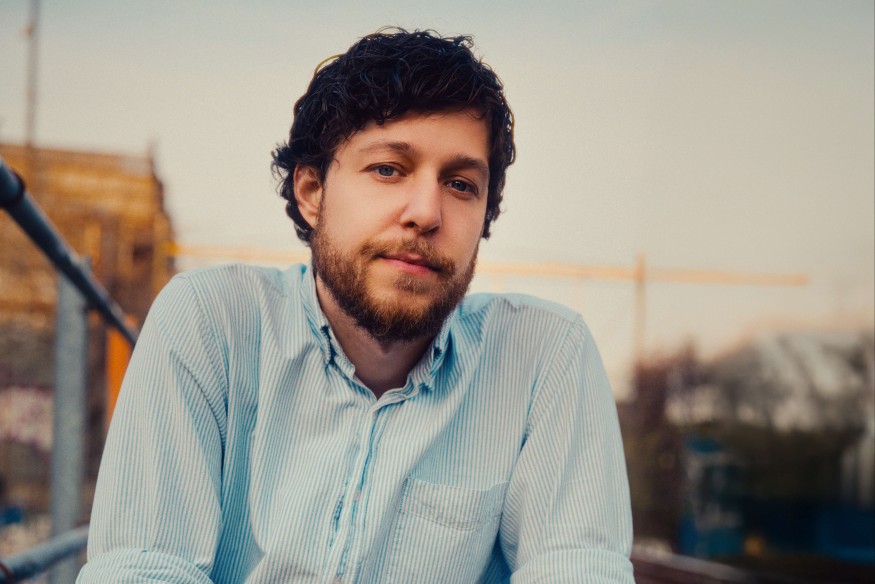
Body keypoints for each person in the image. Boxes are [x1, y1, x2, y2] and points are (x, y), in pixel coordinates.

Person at [78, 29, 634, 583]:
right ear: (312, 192)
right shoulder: (210, 322)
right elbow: (142, 568)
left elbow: (578, 568)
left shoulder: (544, 359)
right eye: (388, 169)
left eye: (461, 184)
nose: (426, 213)